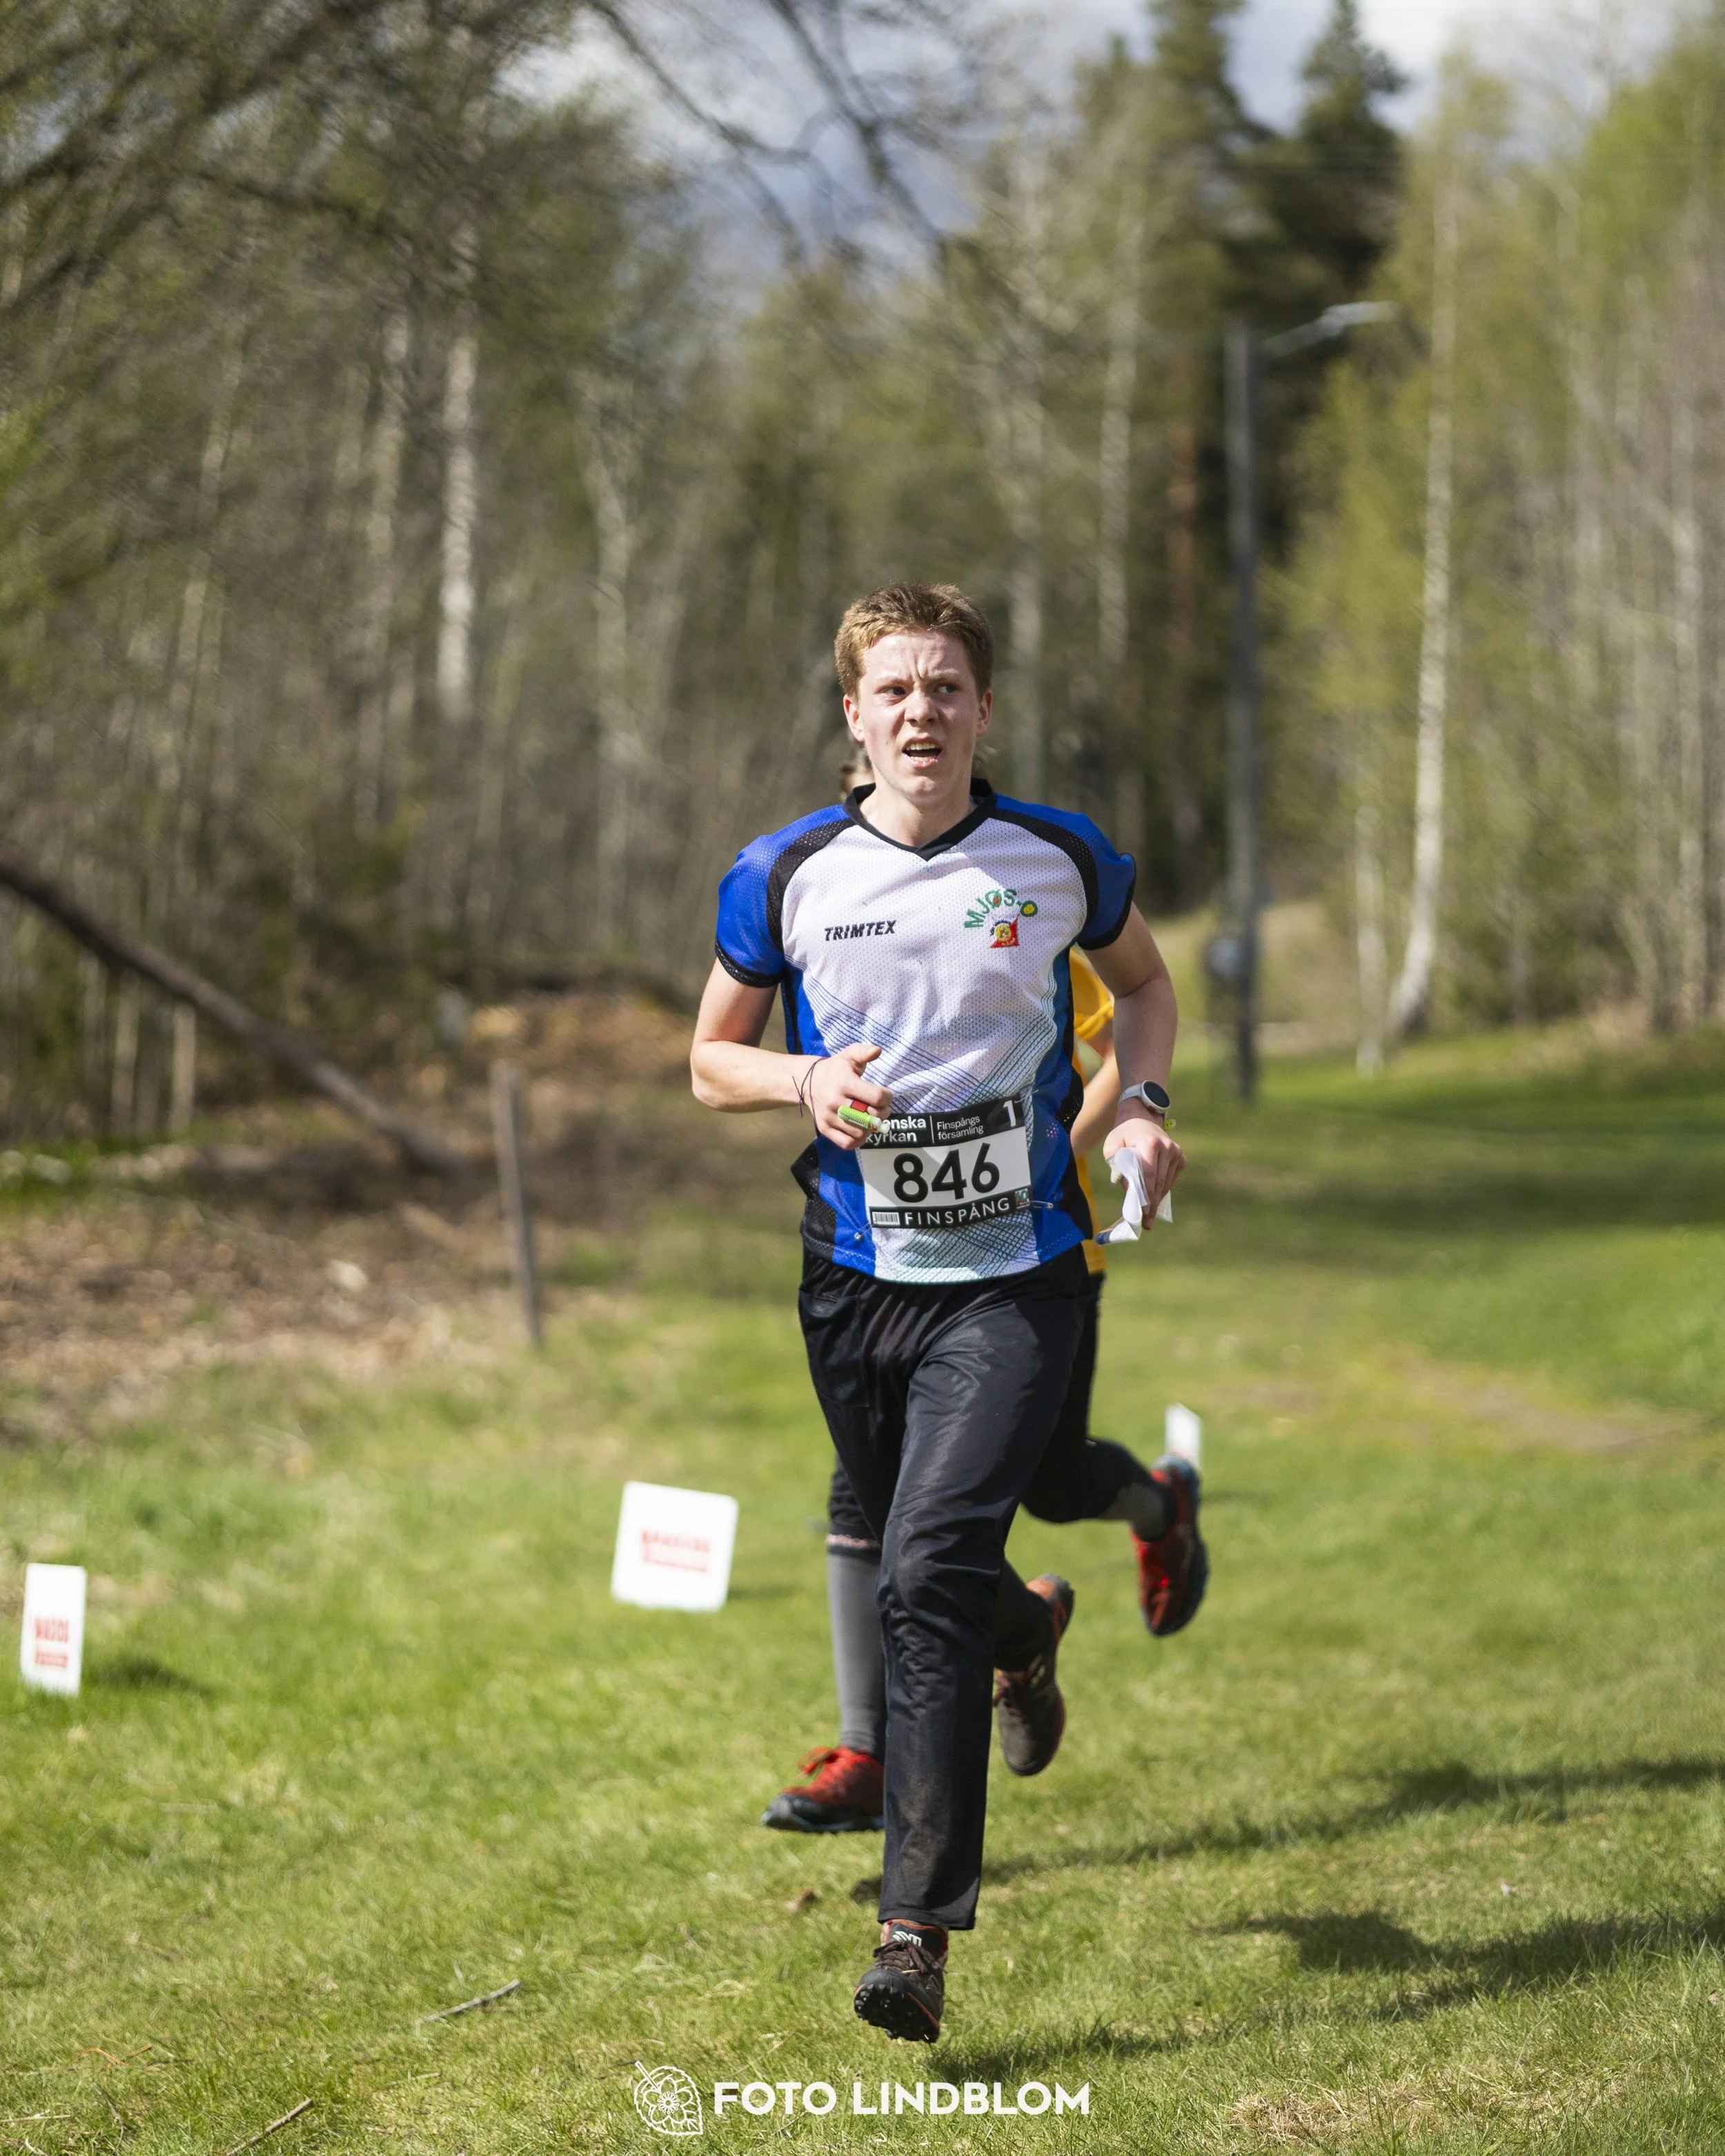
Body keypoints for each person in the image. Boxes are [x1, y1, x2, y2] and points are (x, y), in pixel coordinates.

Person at [690, 582, 1199, 2044]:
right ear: (852, 716)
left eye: (946, 688)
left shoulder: (1051, 857)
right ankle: (1024, 1631)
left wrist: (1140, 1106)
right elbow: (706, 1058)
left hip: (1014, 1272)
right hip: (852, 1278)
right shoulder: (781, 871)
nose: (921, 712)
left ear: (983, 709)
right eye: (893, 690)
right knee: (934, 1561)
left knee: (918, 1559)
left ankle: (911, 1930)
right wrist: (799, 1079)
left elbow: (1146, 988)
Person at [761, 903, 1203, 1837]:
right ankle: (869, 1749)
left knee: (1054, 1480)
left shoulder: (1010, 897)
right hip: (888, 1271)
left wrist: (1062, 1144)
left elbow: (1128, 1020)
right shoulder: (834, 906)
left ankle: (1162, 1505)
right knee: (868, 1492)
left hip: (1034, 1258)